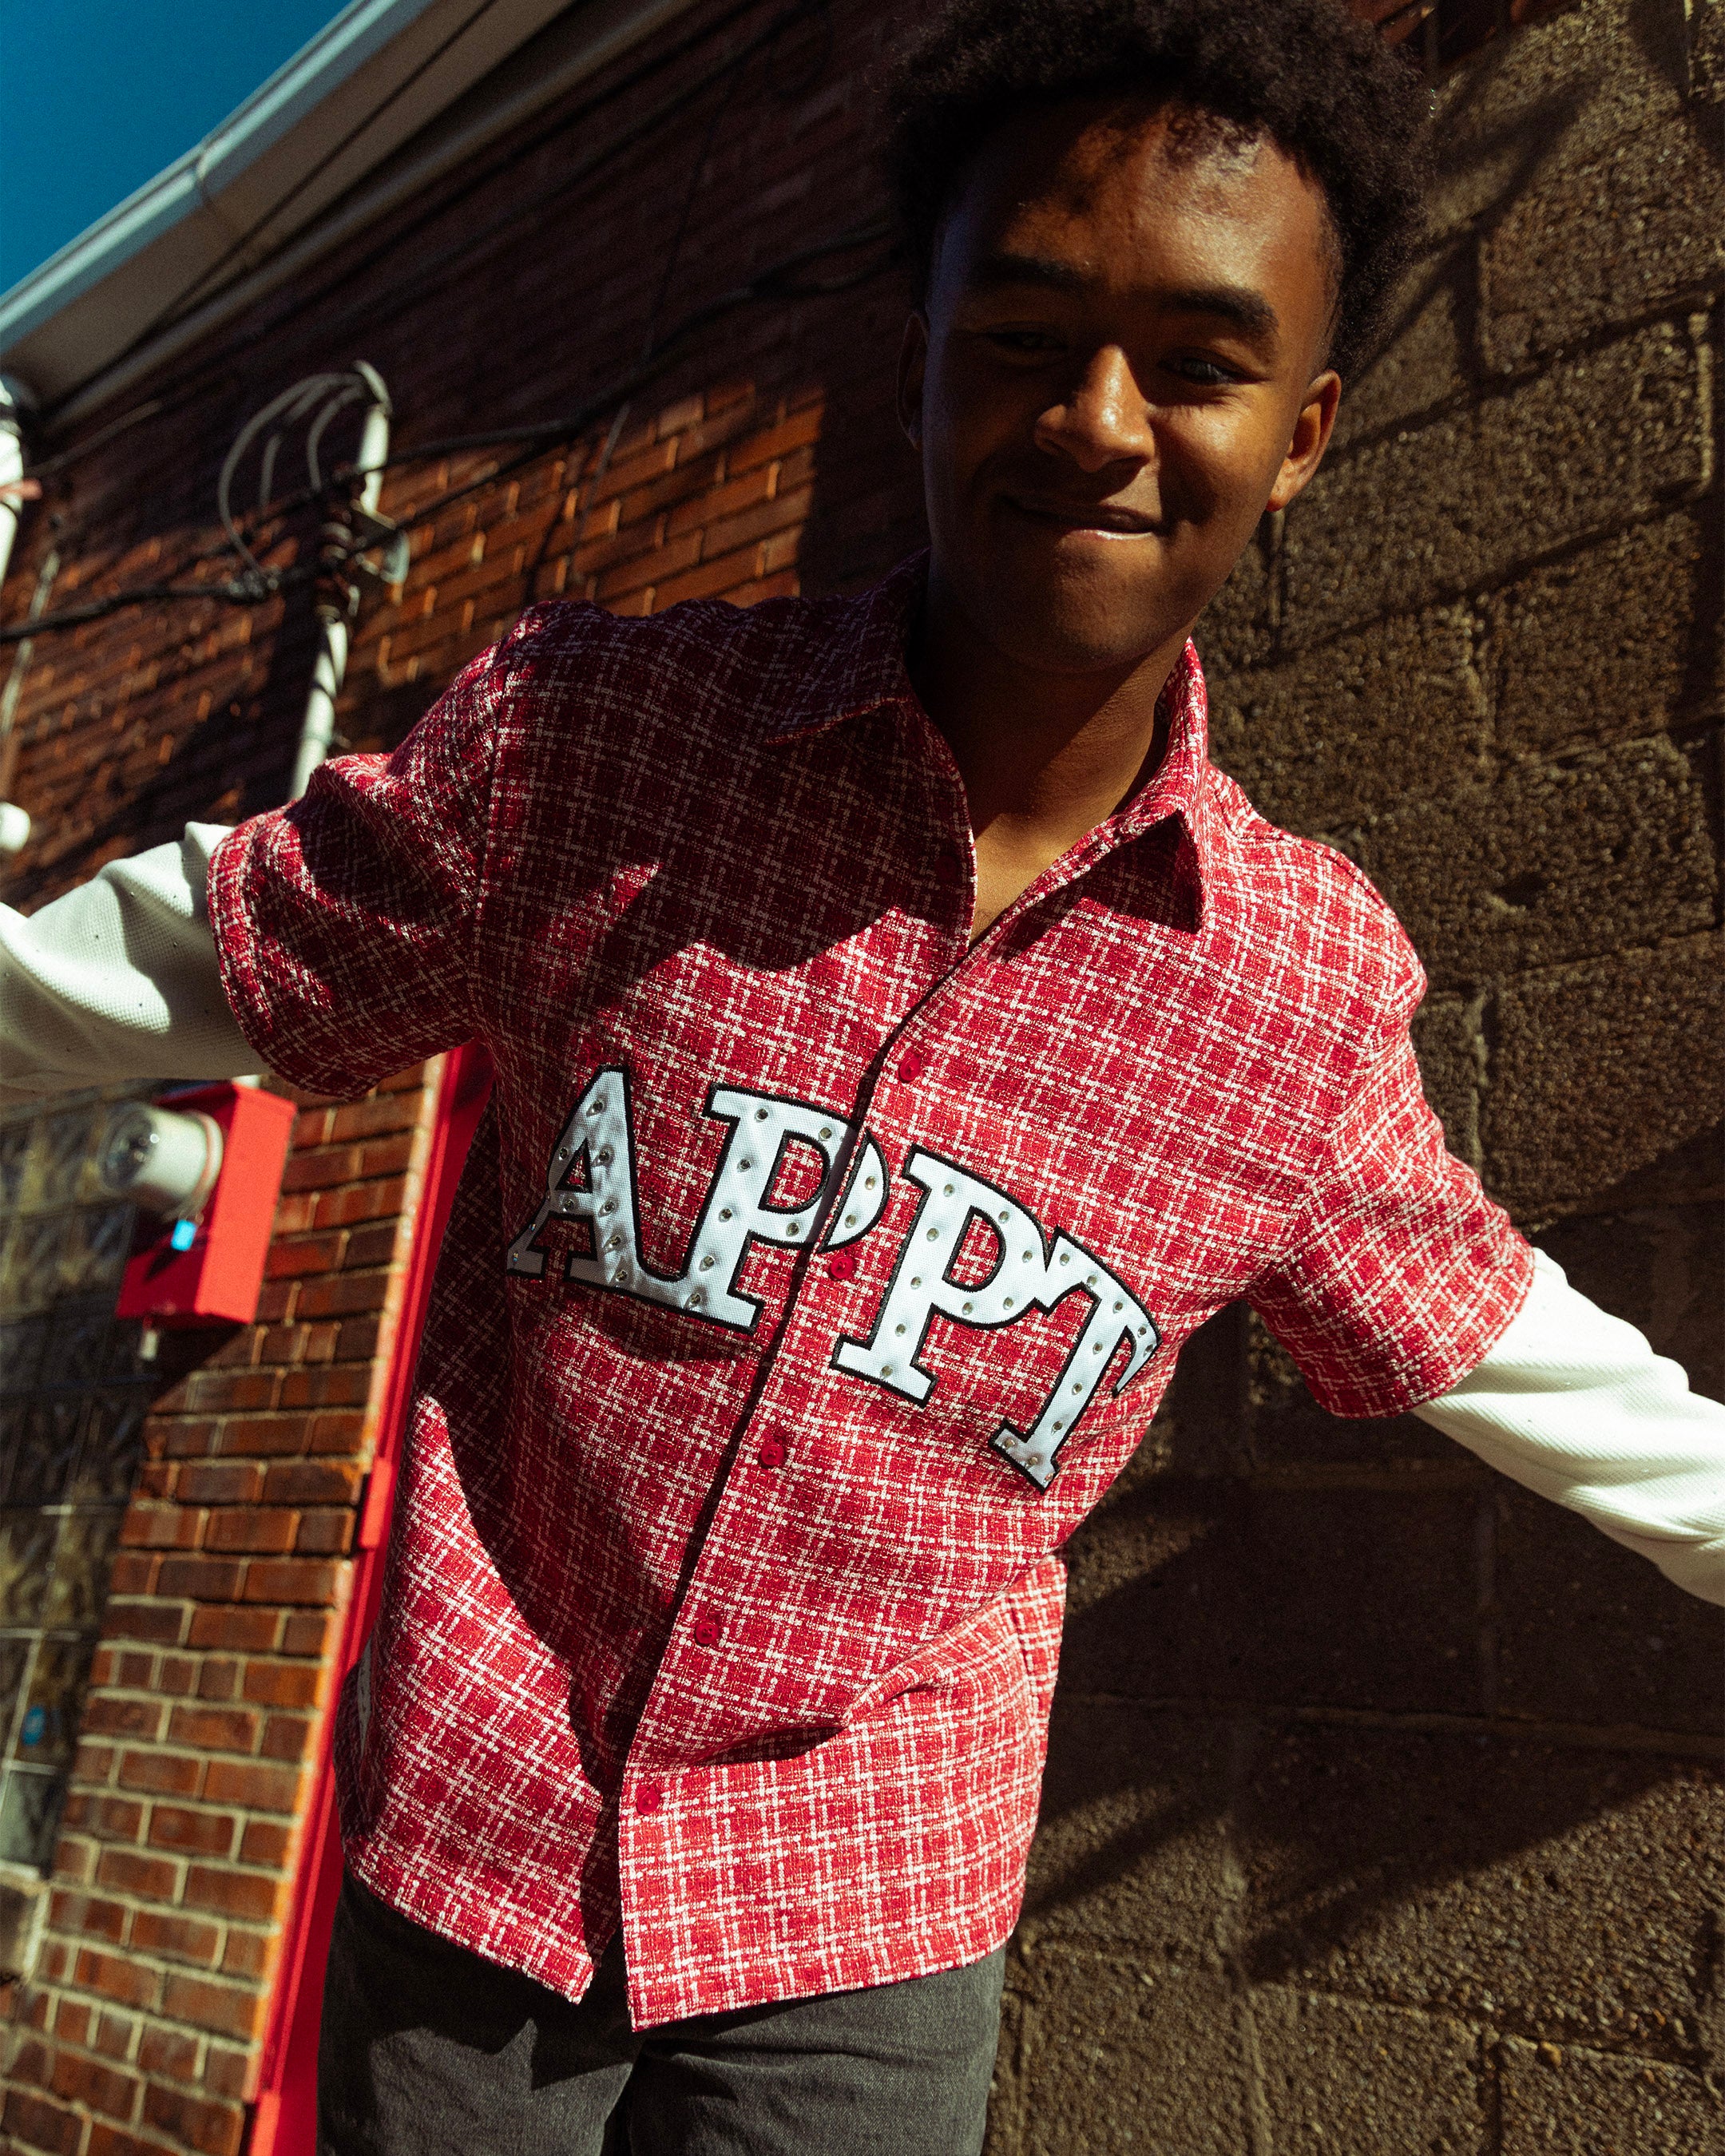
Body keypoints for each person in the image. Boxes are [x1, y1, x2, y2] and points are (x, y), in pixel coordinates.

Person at [3, 2, 1720, 2150]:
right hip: (475, 1843)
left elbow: (1521, 1350)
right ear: (919, 350)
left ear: (1301, 429)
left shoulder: (1294, 994)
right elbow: (206, 936)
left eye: (1197, 362)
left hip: (870, 1925)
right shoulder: (595, 753)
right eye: (1021, 335)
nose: (1097, 422)